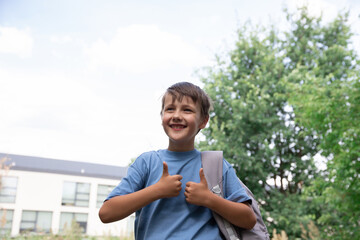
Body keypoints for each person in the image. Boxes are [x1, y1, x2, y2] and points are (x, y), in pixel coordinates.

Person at [99, 82, 256, 239]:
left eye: (187, 110)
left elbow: (249, 220)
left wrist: (209, 199)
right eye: (170, 109)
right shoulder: (146, 162)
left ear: (203, 121)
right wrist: (157, 190)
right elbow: (106, 213)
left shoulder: (216, 165)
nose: (176, 116)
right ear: (162, 117)